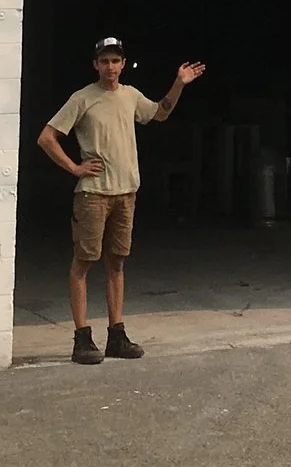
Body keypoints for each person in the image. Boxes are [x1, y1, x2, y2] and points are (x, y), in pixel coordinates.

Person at [38, 37, 205, 366]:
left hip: (125, 192)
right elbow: (47, 138)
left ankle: (116, 334)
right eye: (105, 61)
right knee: (84, 263)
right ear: (95, 65)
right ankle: (82, 338)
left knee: (116, 263)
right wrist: (74, 168)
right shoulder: (82, 98)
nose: (110, 67)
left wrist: (179, 84)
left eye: (115, 61)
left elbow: (159, 113)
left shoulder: (130, 96)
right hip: (93, 194)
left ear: (123, 64)